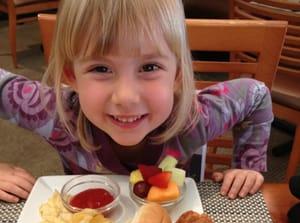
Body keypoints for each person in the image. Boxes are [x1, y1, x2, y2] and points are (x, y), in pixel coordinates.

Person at [0, 0, 273, 203]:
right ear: (72, 74)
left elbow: (256, 95)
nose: (126, 98)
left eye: (150, 67)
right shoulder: (52, 114)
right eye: (101, 69)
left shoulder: (197, 119)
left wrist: (247, 164)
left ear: (177, 73)